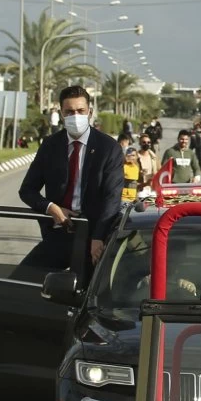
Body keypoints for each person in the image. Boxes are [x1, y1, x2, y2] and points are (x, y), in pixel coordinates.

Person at [17, 85, 123, 274]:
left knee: (87, 289)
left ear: (90, 112)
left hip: (93, 236)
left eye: (80, 111)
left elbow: (112, 198)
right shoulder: (50, 145)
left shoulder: (108, 148)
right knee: (20, 281)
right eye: (69, 112)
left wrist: (98, 237)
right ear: (61, 114)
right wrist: (52, 208)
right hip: (58, 233)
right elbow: (27, 190)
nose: (75, 116)